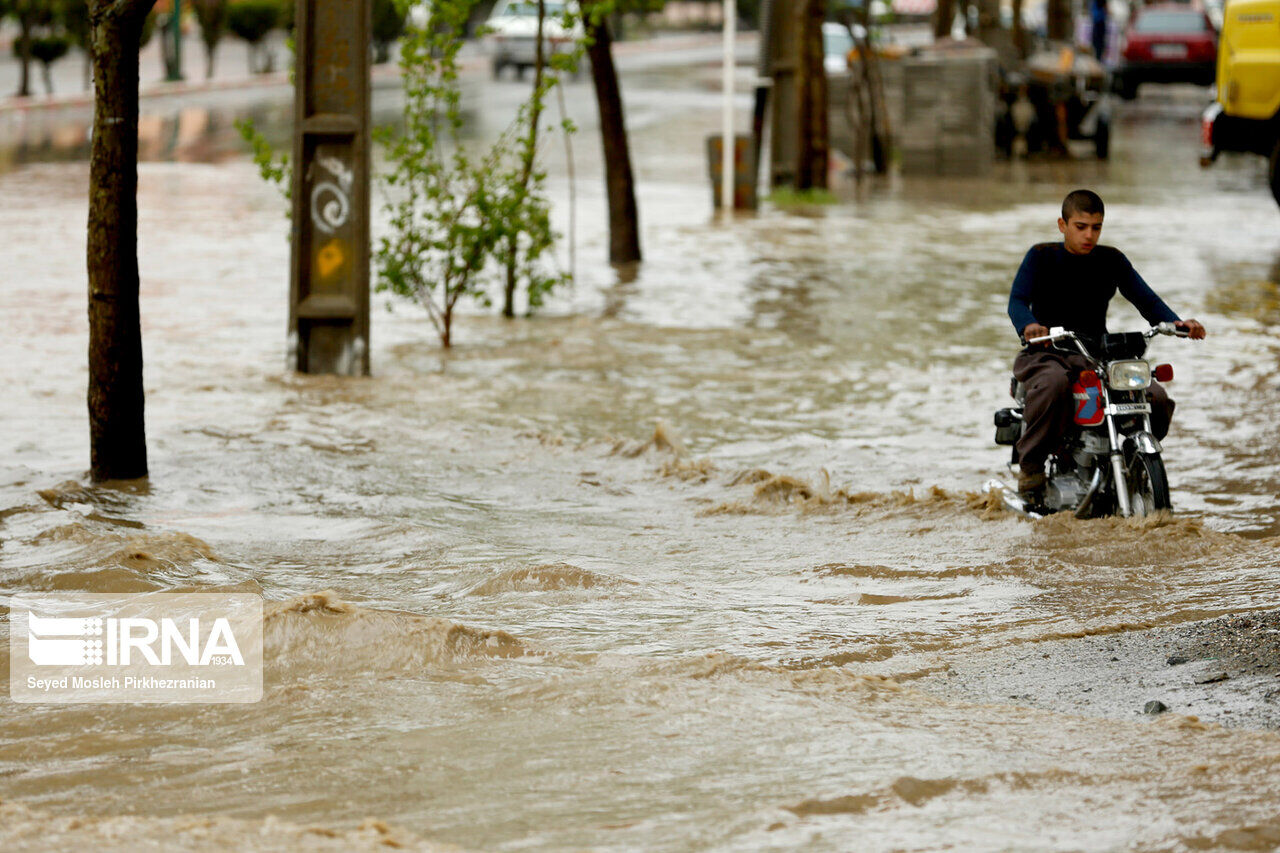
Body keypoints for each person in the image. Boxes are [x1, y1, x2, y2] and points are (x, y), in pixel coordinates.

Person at [1007, 189, 1206, 504]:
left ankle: (1131, 457)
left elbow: (1146, 299)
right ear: (1063, 225)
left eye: (1096, 227)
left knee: (1154, 396)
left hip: (1097, 353)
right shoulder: (1041, 256)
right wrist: (1028, 325)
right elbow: (1017, 300)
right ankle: (1030, 472)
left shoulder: (1111, 259)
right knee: (1054, 385)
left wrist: (1176, 322)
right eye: (1081, 226)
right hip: (1048, 351)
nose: (1089, 235)